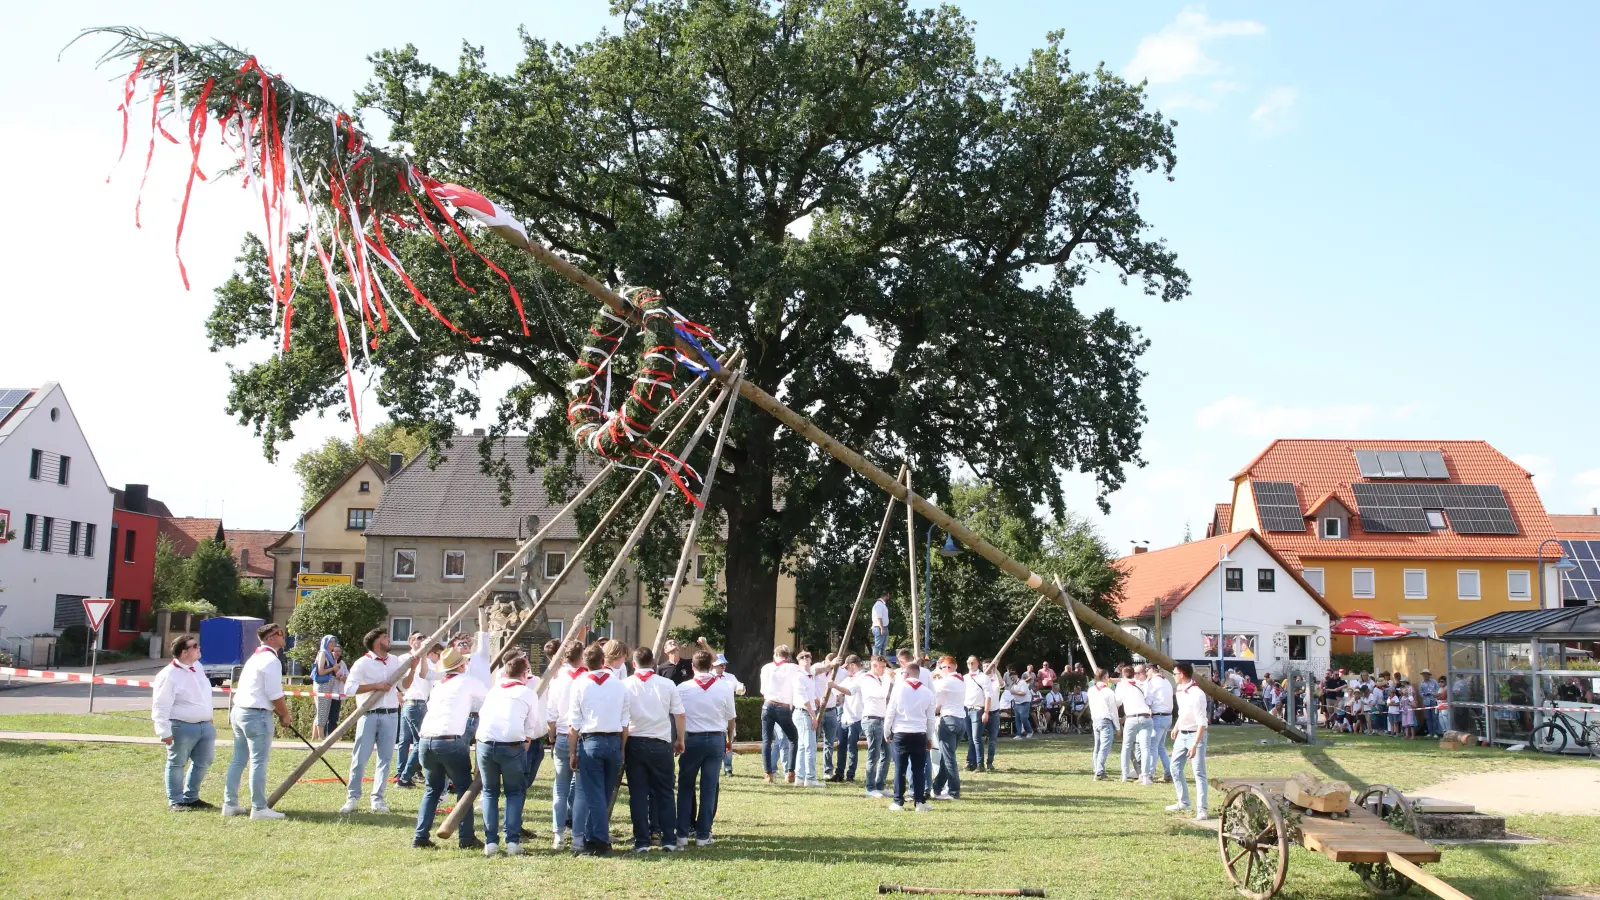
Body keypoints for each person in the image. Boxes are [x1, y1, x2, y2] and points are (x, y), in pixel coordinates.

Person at [412, 638, 489, 850]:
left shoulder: (439, 685)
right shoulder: (467, 681)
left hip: (426, 741)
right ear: (462, 666)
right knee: (464, 790)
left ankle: (420, 836)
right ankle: (466, 837)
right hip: (449, 741)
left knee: (432, 790)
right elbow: (490, 697)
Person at [340, 627, 418, 814]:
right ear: (376, 643)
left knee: (385, 758)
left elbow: (404, 685)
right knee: (360, 758)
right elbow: (349, 689)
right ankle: (352, 798)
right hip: (368, 714)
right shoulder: (362, 663)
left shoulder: (394, 662)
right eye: (384, 637)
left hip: (390, 715)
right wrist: (376, 686)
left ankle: (378, 799)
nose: (389, 639)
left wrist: (413, 670)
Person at [222, 622, 292, 820]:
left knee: (238, 760)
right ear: (271, 638)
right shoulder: (271, 660)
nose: (283, 636)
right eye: (279, 633)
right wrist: (285, 714)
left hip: (240, 711)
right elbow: (274, 693)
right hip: (256, 714)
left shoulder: (256, 657)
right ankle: (259, 808)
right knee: (258, 762)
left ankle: (230, 804)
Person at [476, 654, 543, 857]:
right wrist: (525, 742)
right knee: (514, 792)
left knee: (490, 792)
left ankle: (491, 842)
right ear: (524, 674)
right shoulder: (527, 692)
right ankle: (512, 841)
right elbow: (531, 724)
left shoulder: (494, 691)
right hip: (512, 744)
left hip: (486, 743)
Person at [569, 642, 628, 856]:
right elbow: (624, 721)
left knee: (594, 794)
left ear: (586, 662)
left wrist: (572, 752)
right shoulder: (619, 684)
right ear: (604, 660)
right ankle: (592, 837)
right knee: (602, 793)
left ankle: (600, 840)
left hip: (590, 740)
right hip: (613, 740)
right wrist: (621, 749)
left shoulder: (580, 684)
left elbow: (574, 723)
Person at [623, 646, 685, 852]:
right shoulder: (667, 684)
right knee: (665, 792)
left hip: (634, 741)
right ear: (654, 663)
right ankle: (668, 839)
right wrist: (680, 740)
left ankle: (641, 841)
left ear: (634, 664)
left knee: (638, 793)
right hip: (660, 742)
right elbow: (679, 714)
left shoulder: (626, 685)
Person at [677, 650, 737, 847]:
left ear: (692, 667)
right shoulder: (724, 687)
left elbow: (677, 715)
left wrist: (677, 739)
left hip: (691, 739)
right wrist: (729, 739)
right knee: (709, 787)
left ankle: (682, 834)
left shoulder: (683, 688)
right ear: (711, 666)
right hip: (715, 738)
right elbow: (731, 718)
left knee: (686, 786)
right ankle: (703, 834)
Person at [152, 634, 215, 812]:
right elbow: (160, 705)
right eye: (194, 646)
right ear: (184, 652)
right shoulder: (168, 675)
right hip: (181, 726)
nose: (198, 647)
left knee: (205, 761)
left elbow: (202, 694)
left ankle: (191, 798)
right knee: (177, 763)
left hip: (204, 725)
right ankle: (176, 801)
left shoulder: (198, 667)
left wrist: (208, 716)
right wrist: (163, 731)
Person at [546, 641, 586, 850]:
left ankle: (558, 835)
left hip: (562, 734)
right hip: (581, 736)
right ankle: (578, 837)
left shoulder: (558, 679)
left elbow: (551, 712)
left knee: (560, 788)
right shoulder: (586, 677)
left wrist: (551, 735)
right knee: (580, 790)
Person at [884, 658, 936, 812]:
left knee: (900, 769)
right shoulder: (927, 692)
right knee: (918, 769)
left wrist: (887, 732)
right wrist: (929, 737)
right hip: (919, 733)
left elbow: (890, 713)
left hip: (901, 732)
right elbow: (931, 719)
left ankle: (898, 801)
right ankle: (919, 801)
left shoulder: (898, 689)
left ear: (906, 673)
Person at [396, 636, 442, 788]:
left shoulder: (428, 662)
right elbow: (398, 680)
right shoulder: (404, 658)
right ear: (410, 641)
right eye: (417, 638)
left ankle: (407, 775)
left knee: (417, 742)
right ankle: (403, 776)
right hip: (414, 704)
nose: (420, 640)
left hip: (416, 704)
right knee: (417, 742)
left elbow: (430, 676)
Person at [1166, 662, 1209, 821]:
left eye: (1175, 673)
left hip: (1195, 735)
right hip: (1182, 734)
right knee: (1174, 767)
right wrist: (1177, 726)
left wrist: (1195, 744)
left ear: (1182, 674)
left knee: (1199, 772)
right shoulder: (1179, 690)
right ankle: (1183, 801)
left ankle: (1202, 808)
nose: (1173, 676)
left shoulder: (1197, 693)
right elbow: (1183, 712)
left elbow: (1202, 722)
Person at [758, 645, 802, 784]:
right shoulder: (793, 668)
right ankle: (790, 771)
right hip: (783, 707)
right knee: (793, 738)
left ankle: (768, 773)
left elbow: (762, 691)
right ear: (788, 656)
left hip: (768, 704)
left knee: (766, 740)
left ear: (774, 654)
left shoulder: (766, 668)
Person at [857, 654, 893, 798]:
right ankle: (870, 787)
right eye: (882, 667)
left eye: (885, 667)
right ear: (874, 665)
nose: (884, 670)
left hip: (881, 719)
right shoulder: (867, 679)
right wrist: (889, 678)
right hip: (872, 720)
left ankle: (880, 784)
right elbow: (882, 694)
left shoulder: (878, 679)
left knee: (887, 753)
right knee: (874, 755)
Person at [930, 655, 965, 800]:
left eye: (942, 667)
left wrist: (935, 674)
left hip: (949, 720)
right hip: (960, 720)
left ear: (947, 668)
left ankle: (953, 791)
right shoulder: (961, 680)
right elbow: (941, 701)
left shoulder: (947, 681)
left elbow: (930, 688)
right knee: (946, 757)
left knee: (949, 758)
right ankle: (937, 787)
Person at [1115, 663, 1154, 785]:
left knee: (1126, 747)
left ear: (1123, 674)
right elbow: (1149, 700)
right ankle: (1146, 776)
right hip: (1146, 716)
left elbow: (1117, 702)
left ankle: (1125, 775)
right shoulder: (1142, 684)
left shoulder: (1121, 686)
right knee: (1145, 748)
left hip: (1131, 718)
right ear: (1134, 674)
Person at [830, 655, 864, 782]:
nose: (847, 670)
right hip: (845, 717)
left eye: (847, 667)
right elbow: (837, 689)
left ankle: (851, 775)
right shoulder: (849, 678)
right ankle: (839, 773)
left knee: (852, 747)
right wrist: (836, 692)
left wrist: (835, 687)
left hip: (856, 717)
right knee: (841, 746)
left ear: (853, 665)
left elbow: (850, 691)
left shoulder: (862, 677)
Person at [790, 651, 822, 787]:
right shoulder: (799, 677)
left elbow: (822, 669)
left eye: (807, 657)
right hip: (803, 713)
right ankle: (810, 778)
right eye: (802, 658)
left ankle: (801, 777)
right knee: (810, 746)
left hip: (805, 712)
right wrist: (814, 716)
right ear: (798, 661)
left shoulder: (810, 675)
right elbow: (804, 700)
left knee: (803, 747)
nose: (805, 659)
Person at [711, 653, 743, 775]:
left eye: (724, 664)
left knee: (729, 739)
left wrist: (741, 688)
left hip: (728, 713)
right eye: (720, 664)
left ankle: (728, 767)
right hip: (715, 712)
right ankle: (716, 765)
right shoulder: (708, 677)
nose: (723, 666)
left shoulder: (731, 677)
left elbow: (739, 688)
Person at [1142, 664, 1175, 783]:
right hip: (1168, 716)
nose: (1146, 673)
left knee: (1152, 747)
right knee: (1160, 747)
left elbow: (1148, 701)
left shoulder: (1152, 683)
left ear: (1152, 670)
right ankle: (1168, 772)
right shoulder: (1166, 681)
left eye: (1147, 670)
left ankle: (1149, 774)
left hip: (1159, 716)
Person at [310, 635, 346, 740]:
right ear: (325, 643)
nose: (332, 644)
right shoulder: (323, 653)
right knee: (322, 710)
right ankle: (322, 737)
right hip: (322, 684)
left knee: (322, 711)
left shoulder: (329, 654)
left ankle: (314, 737)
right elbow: (320, 671)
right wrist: (333, 669)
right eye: (330, 642)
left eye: (333, 642)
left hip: (328, 684)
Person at [1086, 668, 1117, 781]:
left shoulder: (1091, 690)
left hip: (1095, 720)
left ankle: (1098, 770)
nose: (1109, 679)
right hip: (1106, 720)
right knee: (1104, 747)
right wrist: (1117, 726)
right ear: (1104, 678)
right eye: (1108, 677)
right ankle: (1099, 772)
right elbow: (1113, 711)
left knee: (1098, 747)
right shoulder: (1108, 691)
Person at [963, 655, 991, 772]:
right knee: (970, 738)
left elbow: (988, 696)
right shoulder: (965, 677)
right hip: (966, 709)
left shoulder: (984, 677)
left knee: (976, 738)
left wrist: (986, 712)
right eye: (969, 662)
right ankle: (971, 762)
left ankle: (980, 764)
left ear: (977, 663)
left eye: (973, 662)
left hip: (978, 709)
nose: (970, 665)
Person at [981, 659, 1005, 769]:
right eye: (985, 666)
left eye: (989, 666)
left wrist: (996, 670)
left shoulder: (995, 678)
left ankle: (989, 763)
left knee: (993, 739)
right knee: (977, 739)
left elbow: (1002, 684)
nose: (987, 668)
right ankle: (978, 763)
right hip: (981, 711)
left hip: (994, 712)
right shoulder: (980, 678)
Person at [1418, 671, 1439, 737]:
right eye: (1423, 675)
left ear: (1429, 675)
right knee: (1428, 718)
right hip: (1426, 701)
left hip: (1433, 701)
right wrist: (1424, 694)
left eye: (1426, 675)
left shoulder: (1434, 682)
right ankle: (1430, 732)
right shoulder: (1421, 683)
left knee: (1435, 717)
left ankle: (1435, 732)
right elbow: (1420, 693)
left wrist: (1433, 694)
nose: (1425, 676)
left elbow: (1438, 690)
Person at [870, 593, 890, 658]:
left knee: (883, 646)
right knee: (878, 646)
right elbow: (879, 617)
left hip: (883, 627)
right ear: (887, 595)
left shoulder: (881, 604)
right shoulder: (879, 605)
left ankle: (882, 661)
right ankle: (875, 660)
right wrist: (882, 628)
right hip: (879, 627)